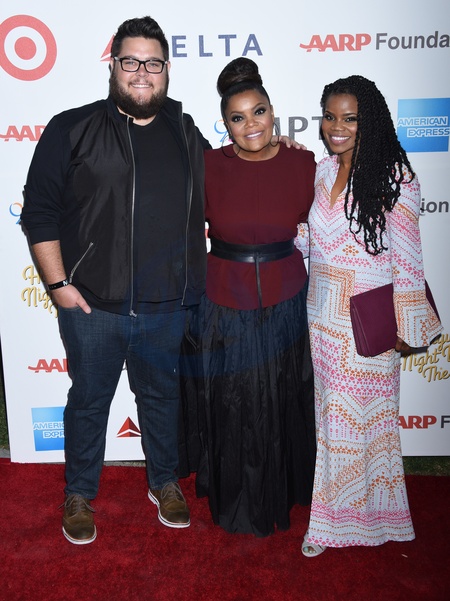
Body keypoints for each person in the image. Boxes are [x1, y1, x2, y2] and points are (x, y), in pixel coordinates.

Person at [21, 16, 210, 545]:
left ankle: (164, 482)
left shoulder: (187, 133)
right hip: (93, 307)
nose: (142, 72)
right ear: (114, 66)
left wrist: (275, 151)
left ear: (166, 69)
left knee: (162, 399)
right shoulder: (71, 128)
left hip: (167, 307)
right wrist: (59, 286)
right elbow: (39, 213)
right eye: (131, 61)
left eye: (153, 62)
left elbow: (233, 180)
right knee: (88, 402)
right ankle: (79, 493)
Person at [297, 75, 443, 556]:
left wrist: (408, 328)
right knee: (331, 421)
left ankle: (341, 526)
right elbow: (312, 240)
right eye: (330, 117)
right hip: (321, 317)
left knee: (363, 423)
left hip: (367, 320)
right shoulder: (322, 172)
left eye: (350, 118)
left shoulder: (395, 178)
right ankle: (347, 519)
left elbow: (409, 260)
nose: (336, 127)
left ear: (371, 122)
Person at [195, 58, 317, 537]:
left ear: (273, 112)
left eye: (259, 112)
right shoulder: (208, 166)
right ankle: (236, 499)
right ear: (225, 125)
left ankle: (284, 491)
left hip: (287, 300)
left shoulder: (303, 163)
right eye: (238, 117)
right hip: (226, 302)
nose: (251, 125)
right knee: (235, 405)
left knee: (283, 399)